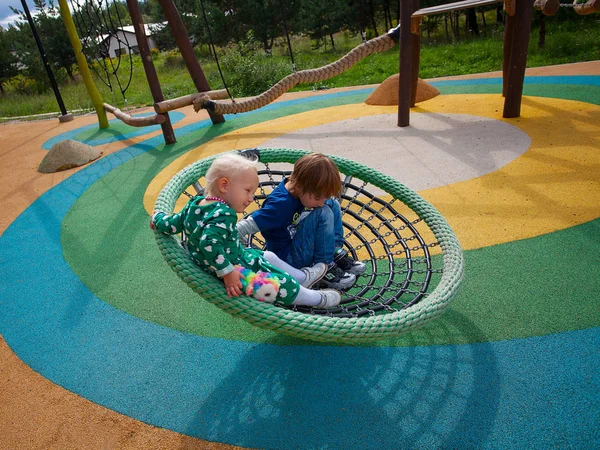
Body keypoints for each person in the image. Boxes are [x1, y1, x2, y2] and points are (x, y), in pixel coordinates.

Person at [150, 152, 341, 308]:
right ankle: (317, 299)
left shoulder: (195, 204)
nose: (251, 198)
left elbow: (173, 223)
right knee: (278, 286)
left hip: (237, 256)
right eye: (248, 190)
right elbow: (208, 243)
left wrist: (157, 218)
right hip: (236, 272)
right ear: (224, 185)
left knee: (268, 258)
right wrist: (227, 272)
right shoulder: (224, 214)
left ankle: (303, 277)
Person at [237, 152, 366, 291]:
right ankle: (324, 268)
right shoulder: (279, 206)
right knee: (324, 212)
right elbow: (240, 228)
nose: (321, 203)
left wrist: (319, 199)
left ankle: (333, 251)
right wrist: (248, 250)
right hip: (289, 258)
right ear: (299, 185)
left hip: (297, 242)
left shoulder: (299, 188)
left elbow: (321, 200)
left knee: (331, 203)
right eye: (317, 198)